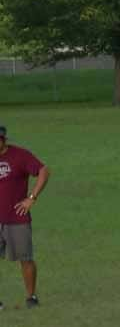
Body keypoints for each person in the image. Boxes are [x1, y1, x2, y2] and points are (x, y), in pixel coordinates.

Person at [0, 124, 50, 309]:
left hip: (17, 218)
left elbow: (44, 171)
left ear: (3, 140)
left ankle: (31, 297)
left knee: (26, 259)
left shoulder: (20, 156)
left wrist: (31, 198)